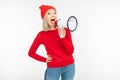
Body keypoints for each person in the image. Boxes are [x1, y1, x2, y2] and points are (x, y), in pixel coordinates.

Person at [28, 5, 75, 80]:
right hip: (53, 68)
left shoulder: (65, 30)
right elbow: (31, 53)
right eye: (49, 13)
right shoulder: (41, 35)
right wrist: (44, 59)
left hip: (69, 66)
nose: (53, 15)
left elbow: (70, 51)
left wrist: (62, 38)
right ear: (44, 18)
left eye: (55, 13)